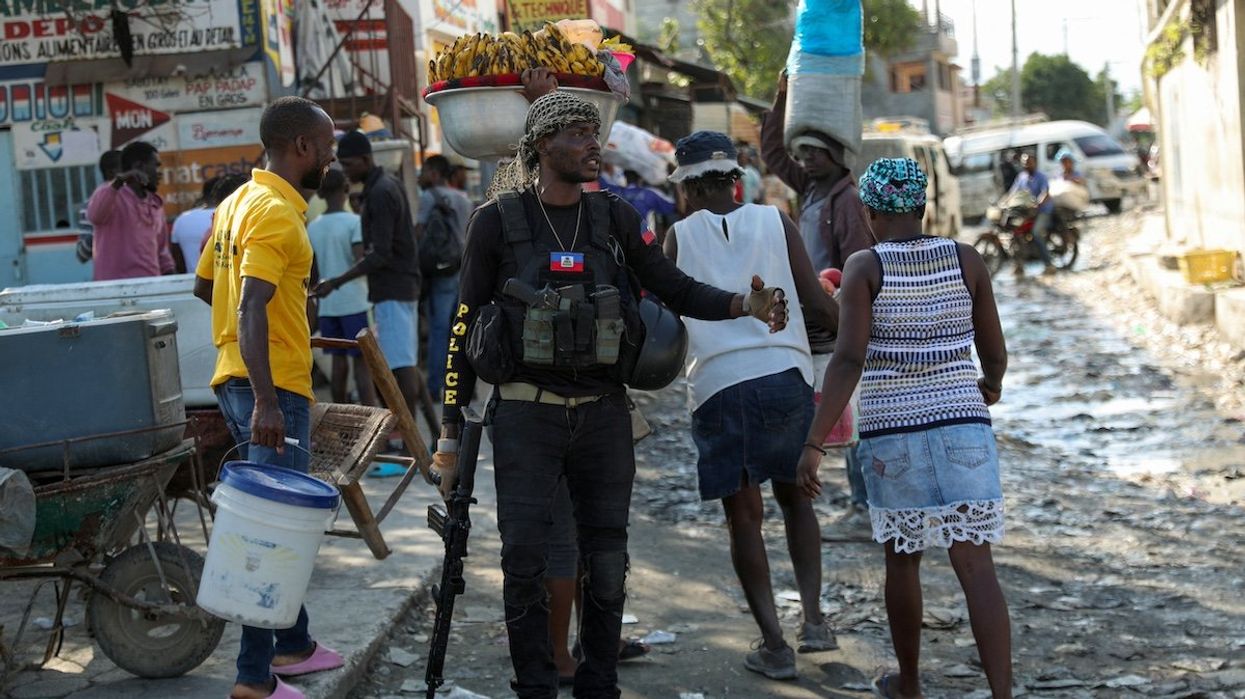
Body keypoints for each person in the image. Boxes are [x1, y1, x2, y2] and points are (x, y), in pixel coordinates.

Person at [432, 87, 789, 699]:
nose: (592, 145)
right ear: (545, 145)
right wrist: (448, 429)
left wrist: (741, 305)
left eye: (593, 133)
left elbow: (671, 287)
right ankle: (537, 687)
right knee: (522, 562)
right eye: (577, 135)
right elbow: (464, 322)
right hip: (524, 415)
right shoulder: (496, 221)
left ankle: (599, 684)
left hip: (602, 415)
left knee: (607, 560)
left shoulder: (617, 217)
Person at [796, 158, 1012, 699]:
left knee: (903, 559)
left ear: (869, 213)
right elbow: (994, 350)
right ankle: (1003, 694)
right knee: (975, 563)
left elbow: (847, 360)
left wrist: (814, 442)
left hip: (895, 430)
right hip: (965, 424)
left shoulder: (865, 267)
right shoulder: (967, 258)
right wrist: (991, 384)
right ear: (922, 207)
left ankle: (910, 684)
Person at [664, 131, 839, 680]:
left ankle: (774, 645)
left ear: (686, 188)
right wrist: (859, 343)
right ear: (736, 179)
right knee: (797, 501)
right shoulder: (774, 221)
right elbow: (814, 297)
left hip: (719, 388)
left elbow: (669, 320)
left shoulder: (676, 237)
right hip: (784, 377)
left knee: (744, 517)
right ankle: (813, 621)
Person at [193, 96, 343, 699]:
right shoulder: (276, 214)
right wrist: (267, 402)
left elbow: (208, 287)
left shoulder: (235, 203)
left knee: (278, 520)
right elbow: (250, 303)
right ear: (302, 147)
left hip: (238, 377)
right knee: (273, 536)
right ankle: (254, 681)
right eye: (327, 144)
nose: (332, 155)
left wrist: (284, 312)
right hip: (271, 387)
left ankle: (294, 645)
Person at [761, 70, 874, 525]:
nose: (805, 159)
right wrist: (780, 98)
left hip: (836, 313)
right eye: (803, 152)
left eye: (815, 152)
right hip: (815, 314)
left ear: (836, 155)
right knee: (832, 404)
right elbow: (772, 153)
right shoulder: (812, 189)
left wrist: (842, 303)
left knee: (850, 404)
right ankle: (848, 495)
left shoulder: (845, 200)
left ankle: (866, 501)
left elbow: (860, 262)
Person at [315, 132, 423, 428]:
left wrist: (336, 282)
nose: (346, 171)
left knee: (400, 367)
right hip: (394, 286)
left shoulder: (380, 191)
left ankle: (407, 438)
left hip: (393, 287)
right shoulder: (382, 186)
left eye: (349, 164)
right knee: (401, 362)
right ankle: (413, 432)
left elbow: (380, 254)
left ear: (365, 159)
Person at [308, 167, 377, 406]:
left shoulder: (313, 226)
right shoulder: (353, 222)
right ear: (346, 189)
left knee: (338, 363)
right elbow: (360, 260)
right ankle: (371, 416)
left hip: (327, 305)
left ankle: (339, 414)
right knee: (361, 362)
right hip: (354, 301)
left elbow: (313, 271)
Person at [417, 154, 474, 400]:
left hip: (440, 271)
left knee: (439, 329)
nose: (421, 176)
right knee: (462, 328)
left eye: (425, 171)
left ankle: (434, 387)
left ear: (434, 173)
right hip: (462, 267)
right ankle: (466, 386)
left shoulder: (428, 197)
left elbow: (419, 231)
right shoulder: (464, 199)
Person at [87, 141, 176, 281]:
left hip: (151, 287)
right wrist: (119, 182)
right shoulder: (111, 194)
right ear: (139, 167)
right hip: (116, 290)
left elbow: (162, 253)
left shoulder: (155, 203)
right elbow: (94, 216)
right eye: (156, 166)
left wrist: (173, 281)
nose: (159, 173)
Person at [1008, 153, 1057, 276]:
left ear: (1035, 163)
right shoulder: (1021, 177)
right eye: (1024, 163)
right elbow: (1013, 193)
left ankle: (1049, 265)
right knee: (1015, 232)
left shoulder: (1041, 177)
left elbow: (1045, 192)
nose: (1027, 165)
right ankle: (1019, 265)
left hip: (1043, 211)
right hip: (1026, 213)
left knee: (1036, 233)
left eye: (1029, 162)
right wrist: (1004, 203)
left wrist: (1038, 203)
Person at [75, 150, 122, 264]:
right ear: (111, 172)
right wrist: (101, 231)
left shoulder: (138, 202)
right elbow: (81, 255)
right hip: (110, 275)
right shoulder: (91, 205)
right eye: (126, 169)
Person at [171, 176, 222, 273]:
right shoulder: (232, 216)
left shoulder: (182, 220)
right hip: (227, 285)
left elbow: (179, 264)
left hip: (191, 284)